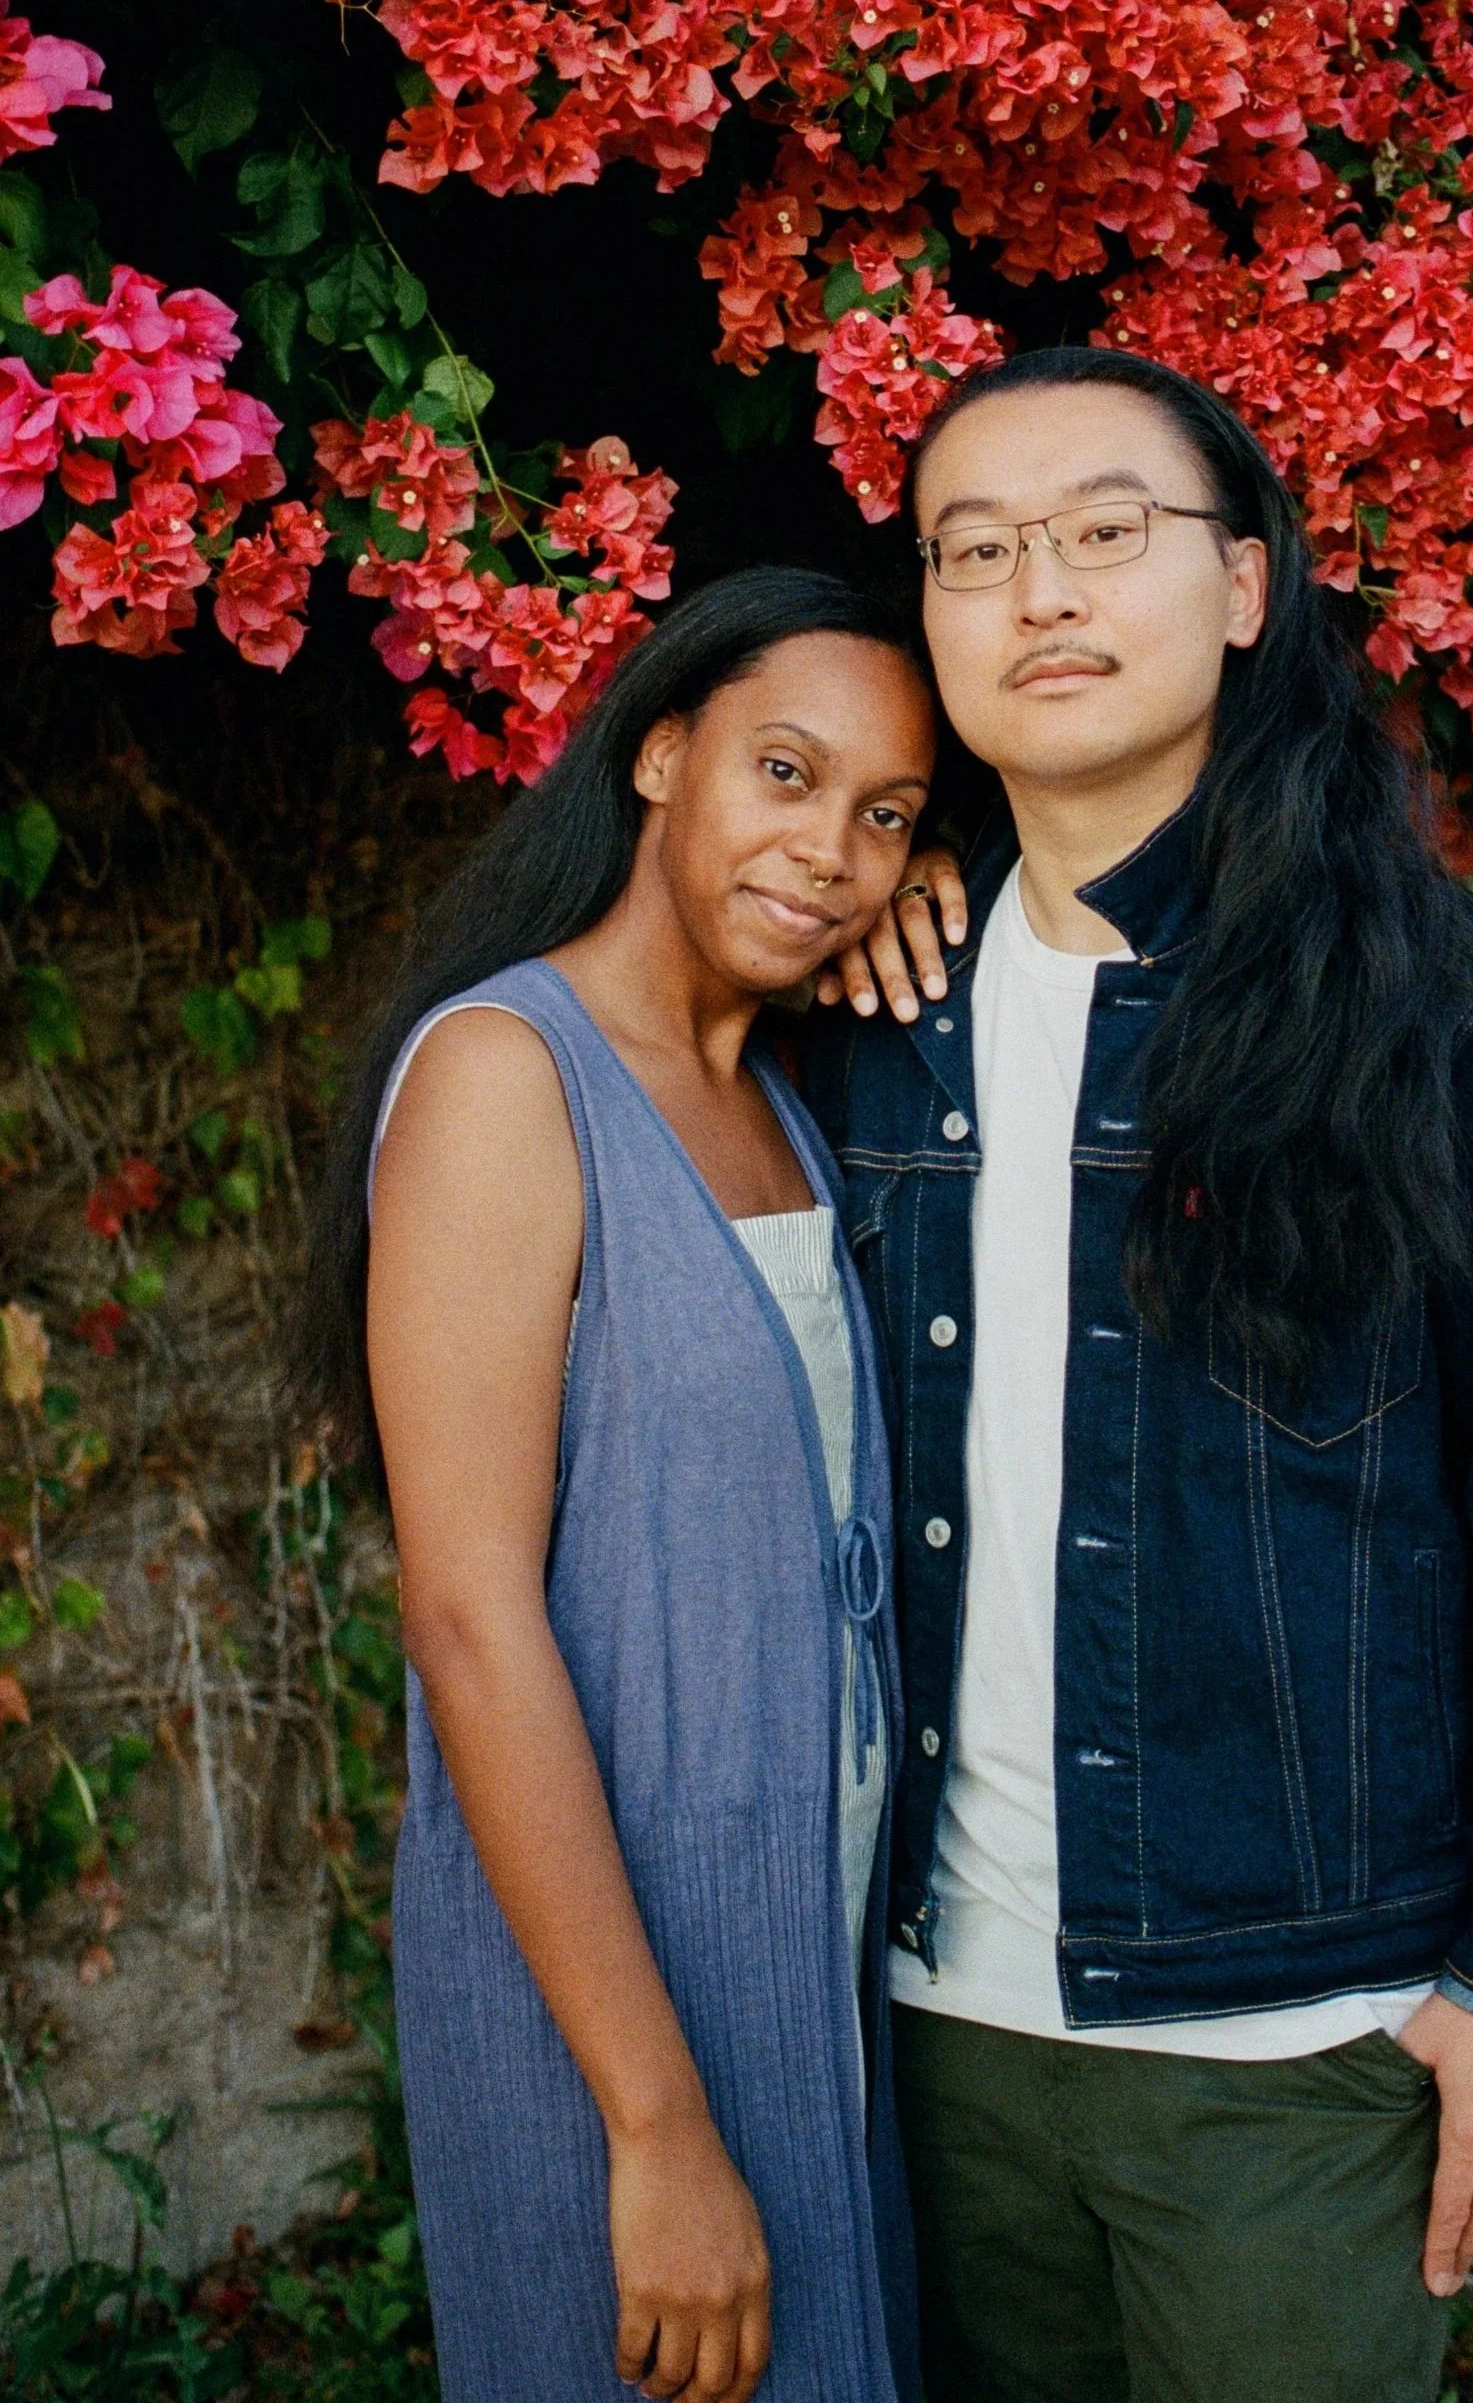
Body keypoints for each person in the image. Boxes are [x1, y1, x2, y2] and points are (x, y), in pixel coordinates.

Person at [806, 346, 1473, 2403]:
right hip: (934, 2022)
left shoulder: (1425, 1001)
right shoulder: (865, 1012)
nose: (1041, 592)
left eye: (1106, 533)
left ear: (1241, 584)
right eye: (976, 550)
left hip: (1297, 2043)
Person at [302, 571, 941, 2403]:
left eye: (883, 816)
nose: (826, 851)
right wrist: (655, 2125)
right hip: (611, 1995)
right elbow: (465, 1614)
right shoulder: (515, 1076)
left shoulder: (784, 1089)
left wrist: (938, 896)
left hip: (807, 1955)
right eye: (785, 773)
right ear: (662, 755)